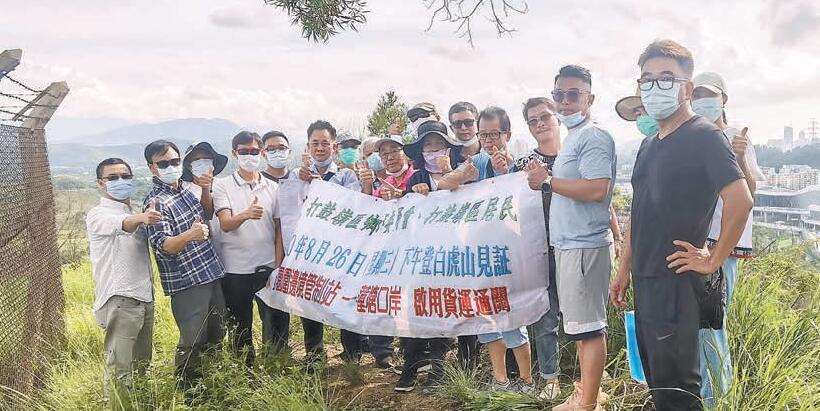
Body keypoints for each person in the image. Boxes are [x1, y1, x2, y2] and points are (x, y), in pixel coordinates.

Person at [610, 40, 753, 411]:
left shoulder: (704, 136)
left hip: (678, 282)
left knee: (679, 390)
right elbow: (640, 211)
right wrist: (624, 267)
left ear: (686, 88)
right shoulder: (648, 144)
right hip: (645, 279)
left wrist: (713, 258)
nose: (655, 87)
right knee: (658, 380)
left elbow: (741, 201)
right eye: (647, 79)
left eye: (666, 78)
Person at [532, 64, 615, 411]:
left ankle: (587, 405)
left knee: (589, 329)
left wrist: (547, 180)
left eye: (573, 94)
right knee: (581, 327)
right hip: (570, 245)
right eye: (559, 95)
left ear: (589, 98)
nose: (565, 102)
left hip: (583, 246)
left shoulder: (594, 137)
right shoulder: (575, 138)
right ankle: (585, 393)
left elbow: (598, 188)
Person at [691, 72, 764, 406]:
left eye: (710, 94)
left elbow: (750, 193)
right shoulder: (694, 136)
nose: (703, 100)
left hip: (723, 246)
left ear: (723, 99)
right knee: (697, 326)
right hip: (695, 243)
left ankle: (716, 399)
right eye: (698, 94)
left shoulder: (737, 138)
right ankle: (702, 393)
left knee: (711, 325)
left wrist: (738, 157)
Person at [394, 120, 475, 393]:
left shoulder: (465, 173)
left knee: (449, 307)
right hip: (422, 257)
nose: (433, 150)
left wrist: (450, 177)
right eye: (428, 146)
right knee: (420, 308)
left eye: (439, 145)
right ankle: (411, 364)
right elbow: (406, 216)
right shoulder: (416, 179)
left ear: (449, 148)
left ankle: (440, 366)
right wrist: (415, 196)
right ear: (420, 151)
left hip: (455, 256)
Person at [142, 139, 226, 387]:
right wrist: (189, 235)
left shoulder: (186, 192)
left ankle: (213, 382)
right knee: (192, 340)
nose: (170, 166)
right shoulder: (155, 202)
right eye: (163, 163)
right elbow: (163, 245)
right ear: (152, 168)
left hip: (210, 273)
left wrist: (205, 190)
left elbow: (207, 213)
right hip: (187, 282)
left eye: (175, 161)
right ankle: (189, 392)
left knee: (217, 333)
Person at [290, 120, 365, 367]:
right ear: (308, 146)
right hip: (309, 253)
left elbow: (353, 208)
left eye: (325, 143)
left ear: (333, 147)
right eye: (315, 143)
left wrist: (319, 184)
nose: (320, 148)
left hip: (340, 253)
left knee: (344, 301)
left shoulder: (346, 176)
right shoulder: (296, 176)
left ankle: (352, 355)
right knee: (310, 302)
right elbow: (290, 211)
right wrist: (302, 182)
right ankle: (314, 354)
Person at [471, 106, 535, 394]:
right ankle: (500, 380)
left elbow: (525, 205)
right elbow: (448, 187)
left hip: (510, 255)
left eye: (494, 134)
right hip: (480, 254)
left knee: (512, 317)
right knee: (486, 319)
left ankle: (527, 382)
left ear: (507, 134)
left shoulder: (522, 165)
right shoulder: (474, 165)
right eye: (482, 134)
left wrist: (504, 173)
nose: (488, 140)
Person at [212, 131, 286, 365]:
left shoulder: (273, 188)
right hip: (236, 270)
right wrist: (245, 215)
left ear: (261, 153)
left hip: (267, 268)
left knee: (275, 323)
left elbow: (279, 230)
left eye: (254, 151)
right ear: (234, 153)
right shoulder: (222, 186)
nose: (250, 156)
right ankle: (245, 372)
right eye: (244, 152)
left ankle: (277, 365)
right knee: (240, 327)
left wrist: (277, 265)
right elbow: (225, 224)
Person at [87, 158, 157, 398]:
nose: (120, 181)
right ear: (100, 183)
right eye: (113, 178)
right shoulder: (98, 214)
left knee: (141, 365)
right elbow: (123, 225)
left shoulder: (134, 210)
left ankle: (141, 404)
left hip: (144, 297)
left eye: (126, 177)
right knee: (119, 369)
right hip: (121, 299)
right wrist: (142, 218)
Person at [515, 97, 562, 400]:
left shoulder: (574, 155)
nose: (540, 124)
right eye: (533, 120)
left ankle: (592, 374)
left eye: (545, 116)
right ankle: (551, 378)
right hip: (537, 250)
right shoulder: (522, 165)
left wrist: (616, 235)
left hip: (574, 246)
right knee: (545, 317)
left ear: (557, 118)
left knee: (584, 313)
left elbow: (598, 196)